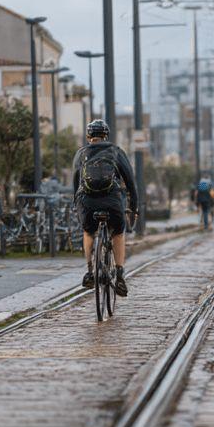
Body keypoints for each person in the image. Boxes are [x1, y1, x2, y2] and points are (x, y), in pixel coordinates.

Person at [72, 119, 138, 297]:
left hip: (87, 202)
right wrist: (134, 207)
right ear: (106, 136)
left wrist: (76, 204)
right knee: (117, 232)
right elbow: (130, 182)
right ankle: (119, 274)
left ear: (88, 137)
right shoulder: (116, 152)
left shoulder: (81, 153)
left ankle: (89, 271)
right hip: (112, 202)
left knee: (87, 231)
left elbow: (75, 182)